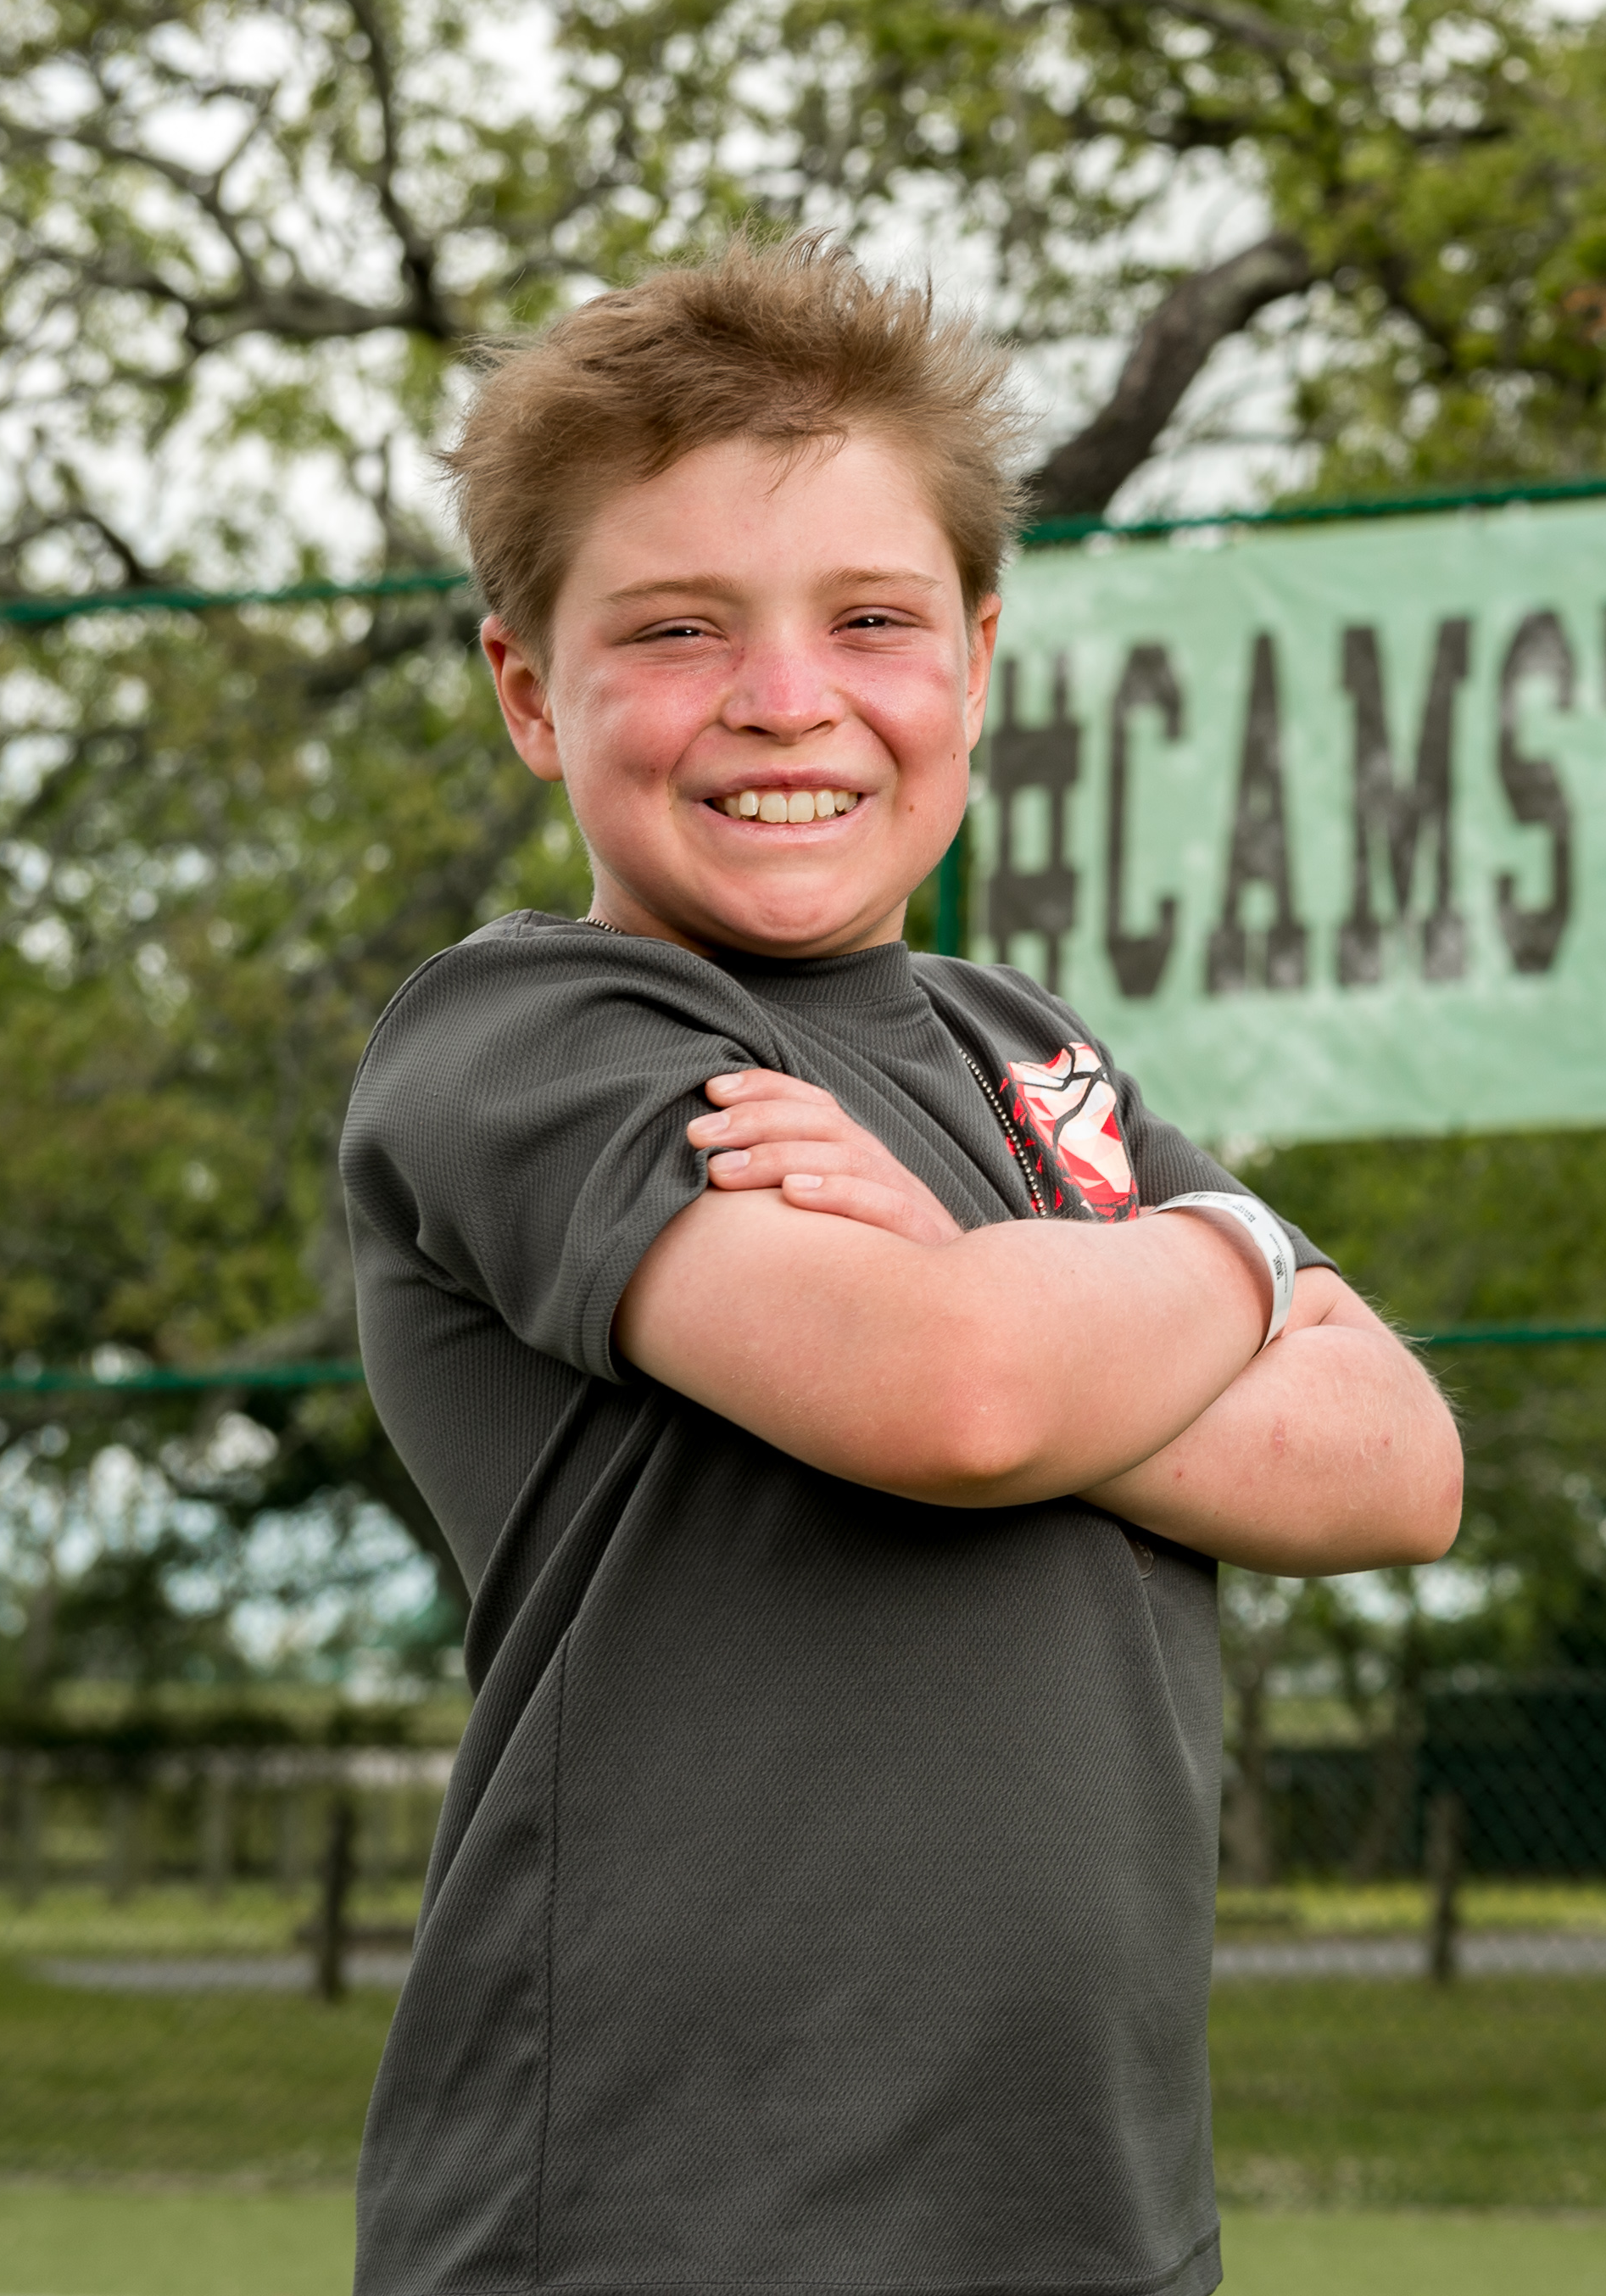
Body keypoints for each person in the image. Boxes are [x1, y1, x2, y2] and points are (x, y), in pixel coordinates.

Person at [336, 234, 1460, 2296]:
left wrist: (1029, 1279)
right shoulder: (534, 1038)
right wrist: (1235, 1253)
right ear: (526, 688)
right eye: (676, 628)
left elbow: (1395, 1455)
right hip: (670, 2217)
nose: (787, 699)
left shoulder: (1023, 1052)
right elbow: (952, 1398)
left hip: (1082, 2211)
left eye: (871, 617)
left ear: (975, 654)